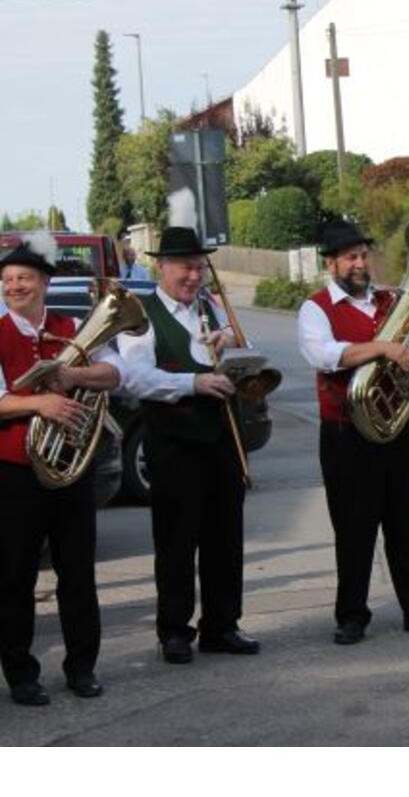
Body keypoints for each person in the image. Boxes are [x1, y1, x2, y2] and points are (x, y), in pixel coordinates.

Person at [297, 219, 409, 646]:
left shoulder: (391, 298)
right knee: (354, 528)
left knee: (406, 522)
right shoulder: (315, 308)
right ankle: (352, 614)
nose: (359, 263)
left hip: (395, 429)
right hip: (346, 433)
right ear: (330, 263)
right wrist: (386, 348)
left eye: (362, 255)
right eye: (350, 257)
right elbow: (323, 354)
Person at [117, 226, 259, 664]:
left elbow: (238, 344)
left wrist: (231, 343)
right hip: (175, 442)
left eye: (198, 267)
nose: (194, 276)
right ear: (162, 267)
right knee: (177, 541)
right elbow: (135, 377)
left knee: (225, 537)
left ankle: (221, 625)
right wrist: (193, 382)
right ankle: (174, 631)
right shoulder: (140, 313)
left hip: (221, 438)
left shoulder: (209, 306)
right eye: (185, 267)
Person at [0, 235, 123, 705]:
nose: (14, 287)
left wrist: (72, 376)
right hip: (15, 471)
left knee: (78, 573)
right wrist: (42, 403)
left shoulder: (74, 327)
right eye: (8, 280)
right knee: (15, 575)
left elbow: (115, 374)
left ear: (44, 285)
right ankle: (21, 674)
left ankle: (82, 668)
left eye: (24, 279)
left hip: (72, 467)